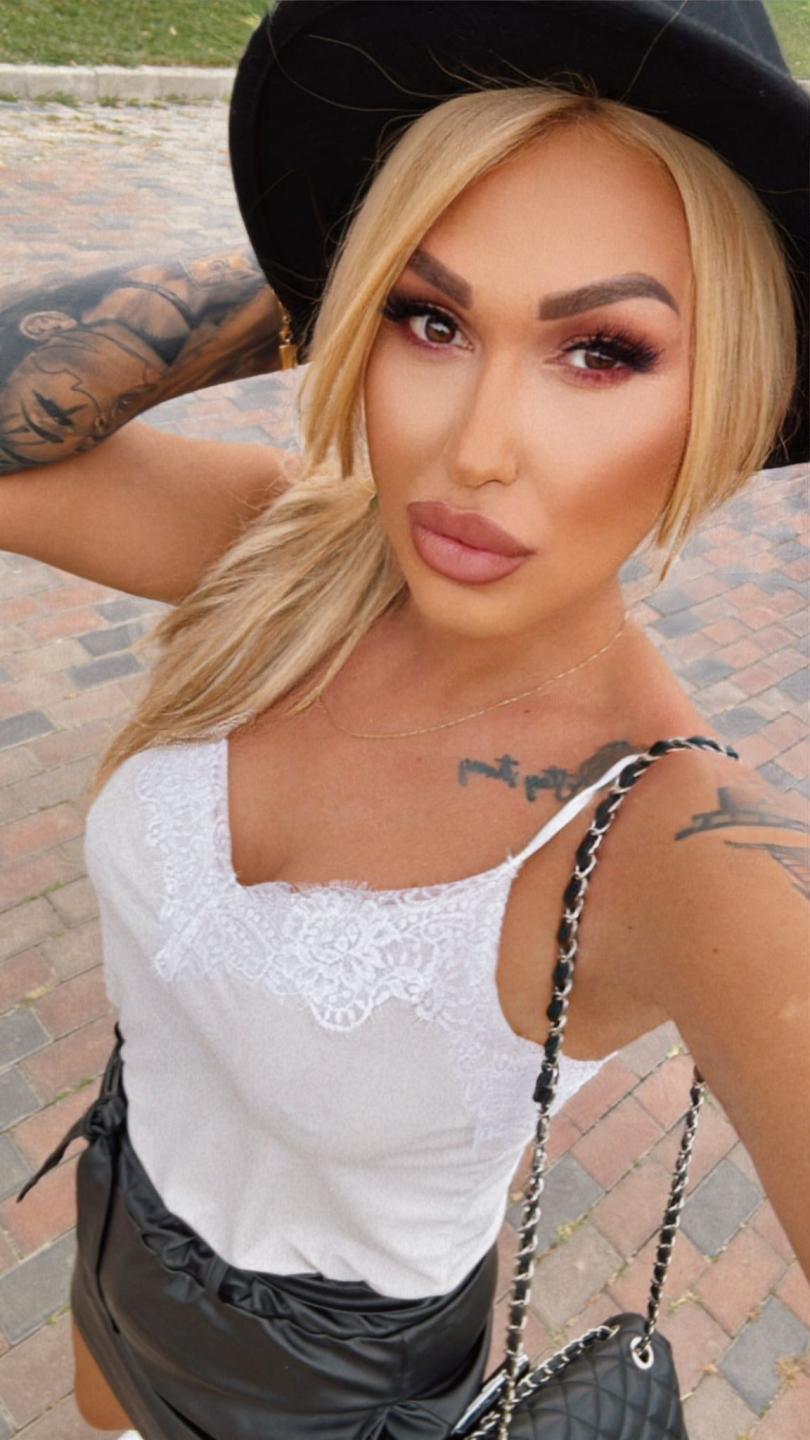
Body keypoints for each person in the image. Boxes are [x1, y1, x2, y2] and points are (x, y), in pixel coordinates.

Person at [5, 2, 808, 1436]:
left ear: (730, 399)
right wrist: (344, 264)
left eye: (601, 350)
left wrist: (408, 277)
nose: (473, 448)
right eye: (432, 322)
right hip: (117, 1243)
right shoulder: (284, 552)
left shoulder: (686, 847)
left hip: (340, 1397)